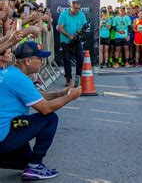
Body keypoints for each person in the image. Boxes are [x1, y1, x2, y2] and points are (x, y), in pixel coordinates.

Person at [0, 42, 82, 180]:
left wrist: (60, 94)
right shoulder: (19, 79)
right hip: (5, 135)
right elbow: (45, 108)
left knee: (24, 161)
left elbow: (35, 96)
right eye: (39, 59)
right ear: (27, 61)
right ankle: (35, 167)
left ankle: (28, 163)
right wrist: (70, 97)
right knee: (50, 118)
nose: (42, 62)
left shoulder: (9, 73)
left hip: (6, 131)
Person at [57, 0, 87, 86]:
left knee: (80, 59)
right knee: (67, 60)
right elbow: (59, 28)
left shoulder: (81, 14)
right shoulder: (64, 14)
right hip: (66, 41)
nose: (77, 10)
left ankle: (78, 79)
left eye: (78, 8)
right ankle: (68, 80)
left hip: (77, 40)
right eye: (75, 8)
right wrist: (69, 35)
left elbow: (84, 26)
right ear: (70, 7)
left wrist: (81, 31)